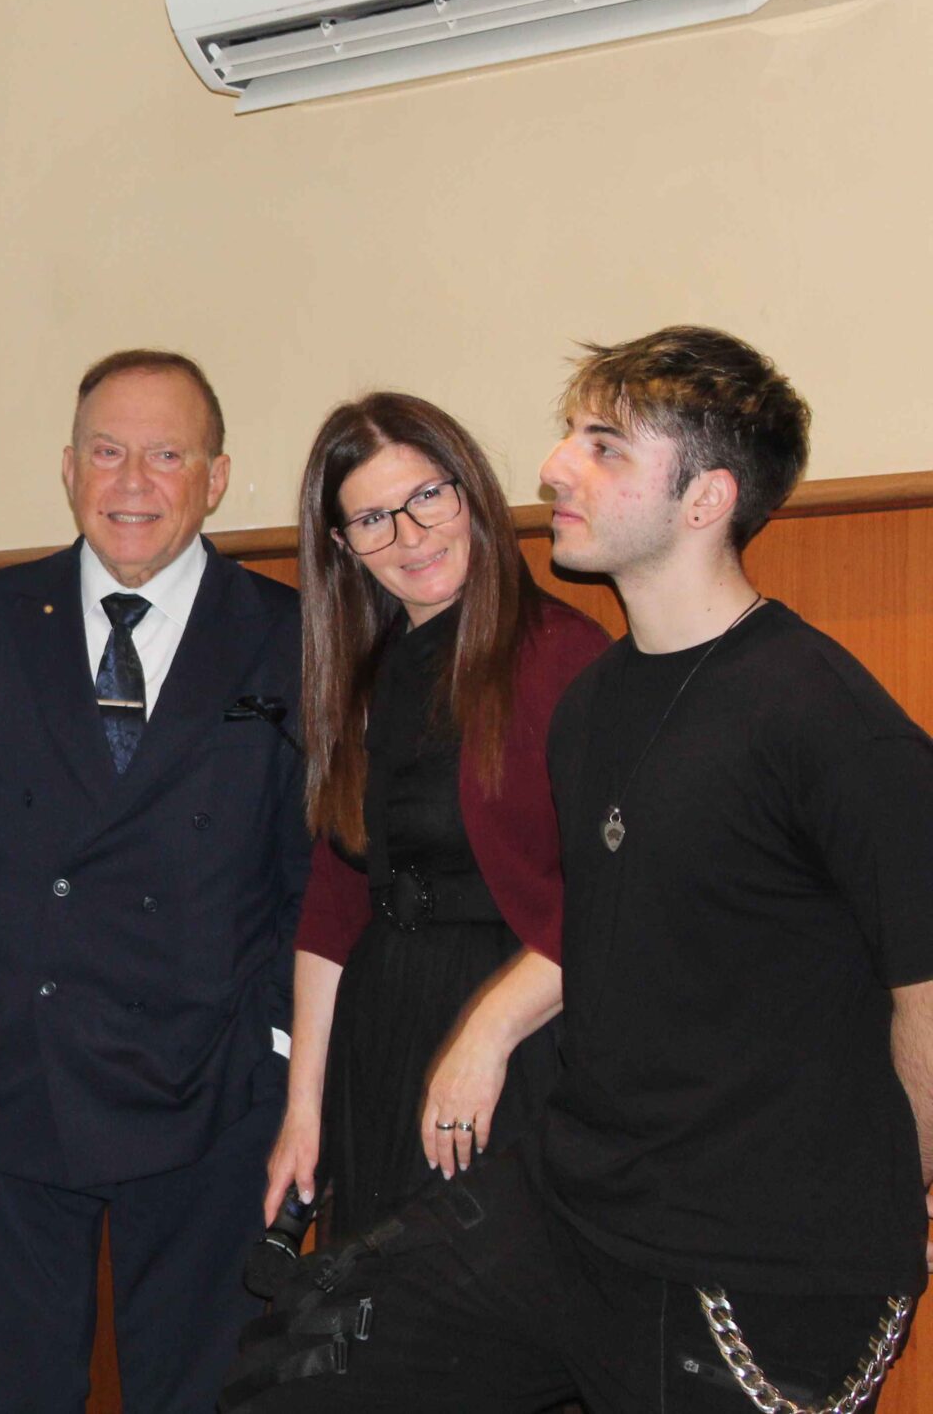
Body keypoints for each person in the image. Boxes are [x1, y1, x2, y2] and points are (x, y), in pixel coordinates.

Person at [229, 326, 933, 1414]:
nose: (555, 466)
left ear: (704, 500)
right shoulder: (601, 707)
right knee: (298, 1360)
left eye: (602, 446)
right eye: (570, 436)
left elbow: (924, 989)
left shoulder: (823, 717)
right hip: (584, 1207)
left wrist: (897, 1186)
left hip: (761, 1254)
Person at [0, 348, 309, 1414]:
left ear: (216, 477)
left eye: (167, 455)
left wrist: (276, 1045)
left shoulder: (291, 634)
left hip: (210, 1089)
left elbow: (311, 868)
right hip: (4, 1073)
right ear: (67, 469)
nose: (132, 482)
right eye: (107, 452)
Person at [263, 393, 606, 1249]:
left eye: (426, 497)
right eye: (372, 519)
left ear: (470, 489)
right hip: (383, 1032)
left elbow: (615, 898)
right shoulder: (365, 671)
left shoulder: (563, 653)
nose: (410, 537)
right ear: (341, 546)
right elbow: (335, 900)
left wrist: (486, 1037)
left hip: (521, 1035)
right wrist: (303, 1108)